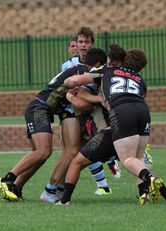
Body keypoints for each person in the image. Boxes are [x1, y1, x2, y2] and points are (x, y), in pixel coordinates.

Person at [61, 48, 166, 205]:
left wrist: (68, 87)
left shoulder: (107, 70)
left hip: (120, 115)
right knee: (138, 159)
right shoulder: (140, 79)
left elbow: (73, 83)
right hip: (143, 112)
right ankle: (164, 196)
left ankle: (64, 200)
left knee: (126, 159)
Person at [0, 48, 107, 201]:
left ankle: (16, 188)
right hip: (39, 108)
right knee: (43, 152)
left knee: (39, 156)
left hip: (42, 109)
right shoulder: (83, 72)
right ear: (99, 64)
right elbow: (79, 96)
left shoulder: (77, 68)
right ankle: (6, 180)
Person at [40, 26, 118, 203]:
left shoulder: (99, 63)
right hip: (71, 111)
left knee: (82, 153)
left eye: (87, 42)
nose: (83, 45)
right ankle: (51, 191)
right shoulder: (71, 64)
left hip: (89, 114)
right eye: (80, 42)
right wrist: (71, 95)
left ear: (92, 43)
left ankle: (57, 188)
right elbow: (69, 89)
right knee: (70, 151)